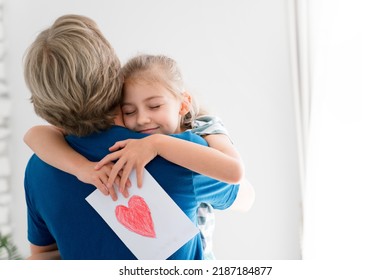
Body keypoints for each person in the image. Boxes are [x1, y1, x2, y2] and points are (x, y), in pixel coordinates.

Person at [23, 14, 253, 260]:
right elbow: (245, 196)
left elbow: (43, 256)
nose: (143, 119)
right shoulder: (180, 153)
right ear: (115, 76)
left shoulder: (40, 166)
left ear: (44, 105)